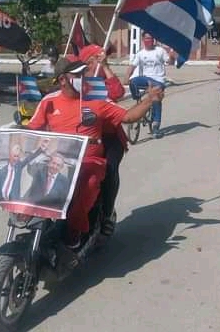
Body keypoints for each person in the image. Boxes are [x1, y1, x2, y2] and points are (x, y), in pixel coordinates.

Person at [27, 60, 163, 250]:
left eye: (83, 74)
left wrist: (149, 100)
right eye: (76, 75)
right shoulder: (48, 102)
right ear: (62, 80)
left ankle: (75, 231)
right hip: (56, 159)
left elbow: (128, 117)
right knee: (30, 177)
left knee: (87, 183)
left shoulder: (96, 101)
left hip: (89, 161)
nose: (82, 78)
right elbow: (31, 129)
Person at [77, 45, 128, 234]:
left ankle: (106, 214)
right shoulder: (77, 81)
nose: (95, 63)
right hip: (84, 135)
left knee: (109, 170)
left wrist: (106, 67)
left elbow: (117, 93)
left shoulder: (101, 83)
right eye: (93, 59)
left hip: (109, 138)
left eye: (99, 59)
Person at [125, 33, 175, 139]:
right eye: (147, 38)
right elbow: (132, 66)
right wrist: (126, 77)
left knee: (156, 99)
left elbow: (170, 62)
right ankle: (138, 101)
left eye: (151, 38)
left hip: (158, 80)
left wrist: (172, 56)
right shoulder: (140, 53)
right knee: (132, 81)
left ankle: (156, 125)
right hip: (145, 79)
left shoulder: (160, 51)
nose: (149, 40)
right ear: (143, 39)